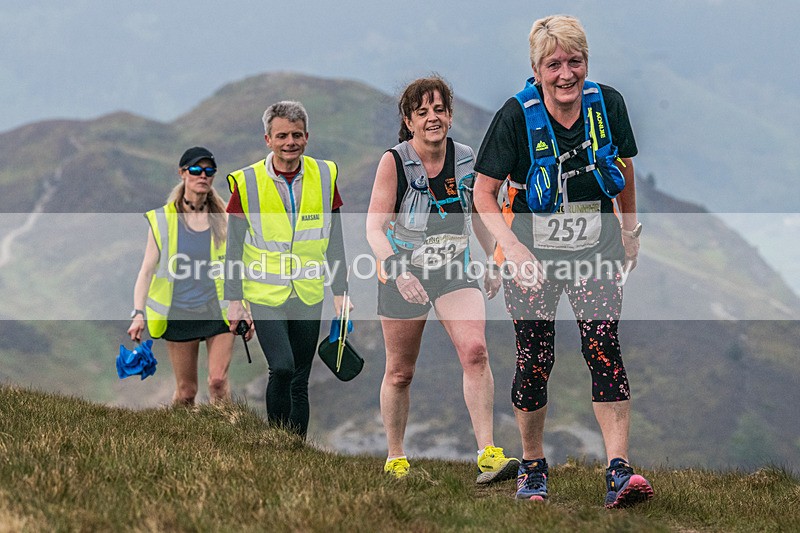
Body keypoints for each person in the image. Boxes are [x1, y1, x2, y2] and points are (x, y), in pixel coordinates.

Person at [473, 15, 654, 507]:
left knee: (604, 347)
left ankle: (619, 471)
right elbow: (483, 193)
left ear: (586, 63)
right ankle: (533, 466)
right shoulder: (515, 116)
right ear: (536, 70)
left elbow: (623, 166)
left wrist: (629, 229)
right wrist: (510, 248)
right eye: (553, 64)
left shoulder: (607, 104)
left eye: (575, 61)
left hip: (595, 251)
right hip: (531, 258)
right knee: (535, 358)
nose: (566, 74)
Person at [366, 76, 519, 483]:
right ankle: (396, 456)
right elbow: (373, 229)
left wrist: (492, 259)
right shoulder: (394, 162)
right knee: (400, 371)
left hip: (455, 269)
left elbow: (479, 214)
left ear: (450, 116)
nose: (432, 118)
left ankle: (488, 453)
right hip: (403, 273)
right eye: (422, 112)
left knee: (475, 352)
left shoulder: (467, 158)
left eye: (439, 110)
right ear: (409, 121)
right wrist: (397, 271)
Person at [224, 101, 350, 439]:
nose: (289, 142)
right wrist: (234, 301)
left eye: (296, 135)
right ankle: (277, 440)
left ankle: (295, 451)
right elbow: (233, 247)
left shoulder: (325, 175)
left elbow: (334, 239)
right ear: (268, 139)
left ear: (307, 137)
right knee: (281, 367)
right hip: (264, 293)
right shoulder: (247, 182)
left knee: (300, 379)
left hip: (309, 291)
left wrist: (342, 292)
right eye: (282, 136)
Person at [128, 146, 234, 405]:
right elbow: (146, 271)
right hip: (179, 313)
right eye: (196, 170)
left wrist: (245, 308)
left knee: (218, 381)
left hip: (218, 311)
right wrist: (138, 313)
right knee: (187, 392)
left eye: (209, 171)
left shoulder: (225, 219)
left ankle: (226, 439)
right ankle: (177, 438)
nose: (203, 176)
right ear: (183, 173)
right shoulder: (163, 220)